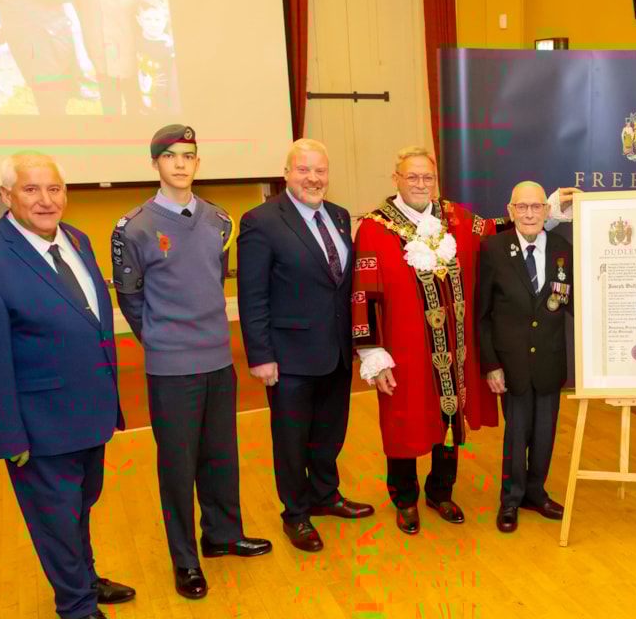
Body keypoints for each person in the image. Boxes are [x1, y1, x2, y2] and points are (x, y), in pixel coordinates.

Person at [0, 152, 133, 619]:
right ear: (5, 196)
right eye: (31, 190)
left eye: (54, 189)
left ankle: (86, 579)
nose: (45, 200)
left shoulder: (77, 240)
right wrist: (7, 434)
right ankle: (75, 607)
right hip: (38, 425)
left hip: (90, 411)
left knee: (80, 505)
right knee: (54, 517)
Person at [351, 146, 575, 534]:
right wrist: (373, 351)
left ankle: (441, 490)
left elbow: (500, 232)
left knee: (449, 413)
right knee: (403, 418)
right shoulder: (375, 227)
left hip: (453, 348)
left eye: (428, 178)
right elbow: (363, 291)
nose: (421, 184)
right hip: (404, 350)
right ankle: (404, 497)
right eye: (413, 177)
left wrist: (547, 211)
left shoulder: (453, 217)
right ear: (396, 180)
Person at [112, 125, 271, 600]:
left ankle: (222, 534)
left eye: (189, 156)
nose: (180, 164)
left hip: (218, 359)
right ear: (155, 163)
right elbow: (131, 298)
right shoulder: (134, 227)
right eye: (170, 156)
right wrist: (162, 340)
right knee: (178, 466)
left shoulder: (219, 220)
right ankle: (185, 559)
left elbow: (214, 280)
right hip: (171, 367)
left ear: (198, 163)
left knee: (221, 456)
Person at [237, 140, 374, 554]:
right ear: (286, 173)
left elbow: (343, 283)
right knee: (292, 440)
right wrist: (260, 355)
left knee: (329, 432)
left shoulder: (338, 216)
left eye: (320, 171)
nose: (313, 178)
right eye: (303, 170)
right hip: (289, 355)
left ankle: (326, 495)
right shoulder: (261, 221)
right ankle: (295, 514)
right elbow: (252, 295)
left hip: (335, 349)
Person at [476, 181, 571, 533]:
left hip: (549, 360)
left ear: (547, 212)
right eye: (522, 207)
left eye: (536, 207)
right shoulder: (493, 250)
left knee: (545, 432)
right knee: (517, 434)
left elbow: (573, 300)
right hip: (510, 363)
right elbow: (482, 314)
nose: (529, 213)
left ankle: (536, 492)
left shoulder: (563, 249)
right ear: (510, 210)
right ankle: (511, 499)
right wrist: (491, 365)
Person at [72, 0, 156, 115]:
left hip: (132, 51)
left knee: (136, 108)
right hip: (99, 54)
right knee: (110, 110)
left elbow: (151, 2)